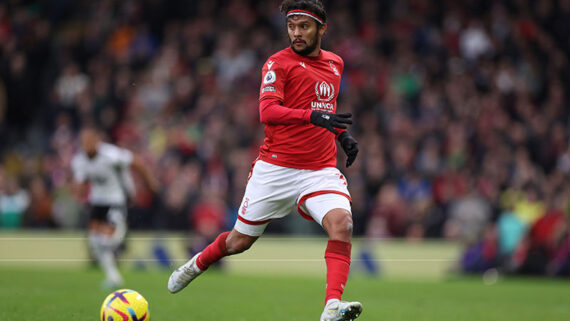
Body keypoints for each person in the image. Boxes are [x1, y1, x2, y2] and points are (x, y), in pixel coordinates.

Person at [168, 1, 362, 320]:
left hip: (320, 170)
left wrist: (342, 136)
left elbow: (324, 108)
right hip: (276, 169)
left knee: (342, 224)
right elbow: (267, 111)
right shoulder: (277, 63)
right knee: (239, 242)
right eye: (291, 26)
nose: (296, 33)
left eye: (304, 26)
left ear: (322, 29)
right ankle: (195, 264)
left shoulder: (335, 63)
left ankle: (331, 307)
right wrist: (312, 116)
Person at [71, 126, 158, 288]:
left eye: (89, 140)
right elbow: (81, 183)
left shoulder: (111, 154)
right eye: (83, 141)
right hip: (97, 202)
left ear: (97, 141)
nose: (86, 144)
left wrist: (150, 184)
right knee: (95, 242)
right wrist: (78, 193)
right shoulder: (79, 161)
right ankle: (113, 277)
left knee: (105, 240)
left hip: (117, 199)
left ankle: (120, 235)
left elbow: (137, 162)